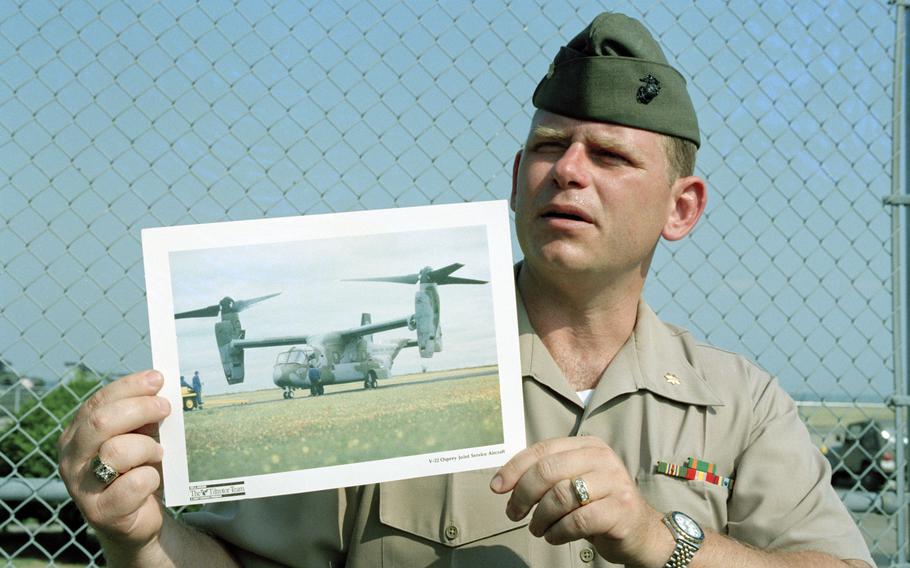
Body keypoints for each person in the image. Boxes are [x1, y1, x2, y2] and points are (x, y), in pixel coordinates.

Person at [57, 12, 873, 568]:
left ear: (681, 208)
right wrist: (137, 537)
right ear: (519, 178)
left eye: (612, 157)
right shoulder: (421, 369)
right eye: (551, 148)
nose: (571, 171)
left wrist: (661, 539)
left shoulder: (739, 404)